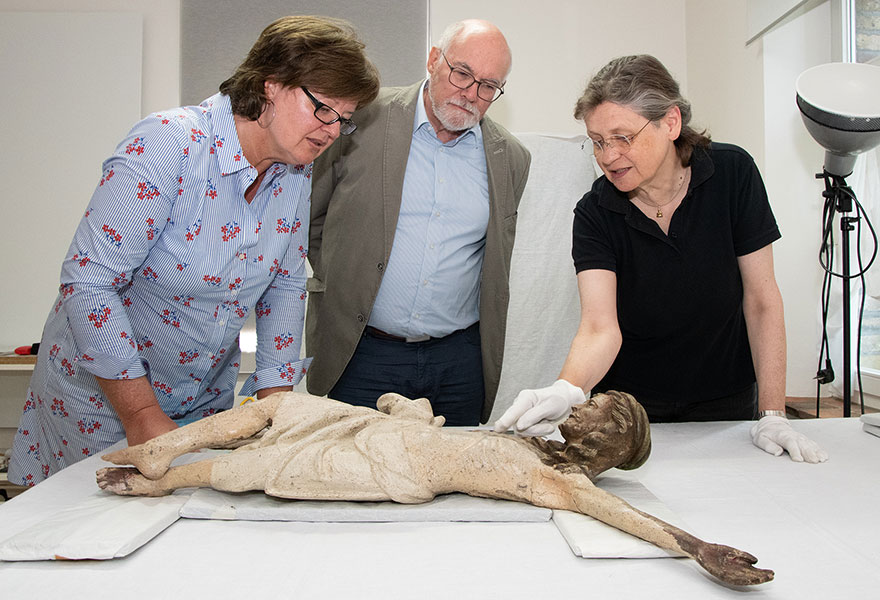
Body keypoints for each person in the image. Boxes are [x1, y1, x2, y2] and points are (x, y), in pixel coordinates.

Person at [8, 16, 381, 486]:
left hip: (202, 406)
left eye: (344, 121)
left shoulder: (293, 170)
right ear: (272, 86)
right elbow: (89, 283)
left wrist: (273, 410)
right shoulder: (169, 144)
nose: (332, 130)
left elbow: (284, 285)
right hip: (103, 406)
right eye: (325, 110)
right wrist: (141, 412)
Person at [495, 55, 828, 464]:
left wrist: (774, 413)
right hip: (631, 409)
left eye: (622, 137)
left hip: (726, 401)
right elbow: (600, 326)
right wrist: (567, 388)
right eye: (597, 141)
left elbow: (761, 300)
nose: (608, 155)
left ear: (670, 123)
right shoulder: (595, 212)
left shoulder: (732, 174)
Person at [97, 390, 773, 587]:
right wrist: (406, 412)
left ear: (613, 437)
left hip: (388, 471)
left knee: (253, 470)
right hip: (376, 428)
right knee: (279, 404)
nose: (586, 400)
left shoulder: (558, 478)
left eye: (602, 404)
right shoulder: (533, 442)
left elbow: (619, 513)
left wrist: (698, 547)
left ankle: (164, 482)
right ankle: (164, 446)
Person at [306, 19, 531, 427]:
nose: (471, 94)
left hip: (458, 365)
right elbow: (312, 218)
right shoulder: (361, 119)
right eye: (462, 73)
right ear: (433, 60)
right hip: (362, 353)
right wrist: (343, 276)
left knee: (454, 484)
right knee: (350, 481)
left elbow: (492, 256)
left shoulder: (510, 158)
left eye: (488, 86)